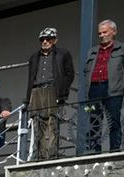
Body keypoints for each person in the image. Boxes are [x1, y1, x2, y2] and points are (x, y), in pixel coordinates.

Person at [83, 20, 124, 154]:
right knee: (94, 120)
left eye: (105, 32)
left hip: (113, 89)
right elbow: (86, 70)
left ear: (114, 31)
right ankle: (94, 151)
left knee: (114, 120)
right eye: (99, 33)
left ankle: (114, 150)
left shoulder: (122, 48)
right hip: (94, 89)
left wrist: (119, 83)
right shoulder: (92, 51)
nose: (102, 35)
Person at [25, 28, 75, 161]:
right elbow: (30, 78)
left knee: (52, 122)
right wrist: (28, 98)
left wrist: (63, 92)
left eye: (48, 39)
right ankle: (40, 155)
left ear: (55, 40)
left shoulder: (63, 54)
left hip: (53, 89)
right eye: (42, 39)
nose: (45, 42)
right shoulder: (34, 57)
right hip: (36, 90)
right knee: (37, 122)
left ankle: (52, 154)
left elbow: (69, 74)